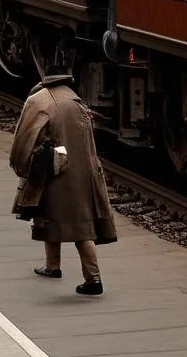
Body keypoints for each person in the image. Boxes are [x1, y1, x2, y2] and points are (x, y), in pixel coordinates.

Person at [9, 57, 117, 296]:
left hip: (56, 171)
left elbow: (23, 139)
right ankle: (55, 267)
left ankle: (92, 279)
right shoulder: (77, 101)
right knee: (79, 222)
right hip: (85, 172)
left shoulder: (39, 101)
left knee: (60, 219)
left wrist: (21, 166)